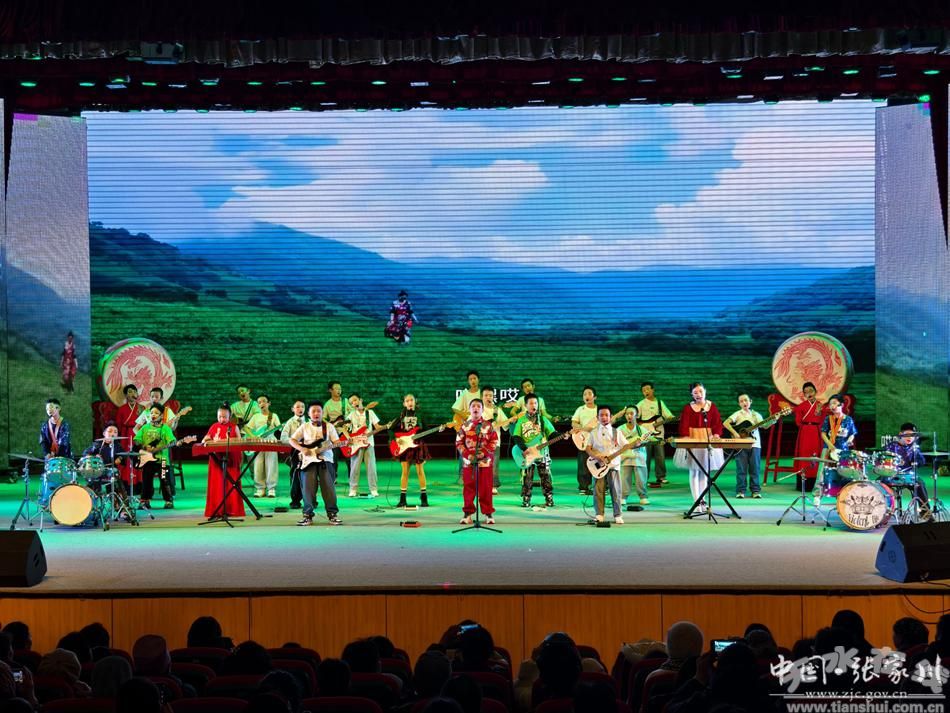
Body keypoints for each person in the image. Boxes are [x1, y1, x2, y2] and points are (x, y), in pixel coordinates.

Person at [289, 401, 342, 526]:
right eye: (313, 411)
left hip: (326, 460)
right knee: (308, 488)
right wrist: (302, 449)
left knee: (328, 488)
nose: (316, 413)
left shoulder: (329, 426)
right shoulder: (305, 426)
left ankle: (332, 514)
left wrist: (342, 443)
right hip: (308, 460)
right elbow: (292, 440)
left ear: (323, 413)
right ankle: (307, 515)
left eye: (319, 411)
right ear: (308, 414)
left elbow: (336, 442)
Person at [675, 382, 723, 514]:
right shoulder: (688, 408)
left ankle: (703, 500)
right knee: (694, 471)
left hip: (707, 439)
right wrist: (686, 439)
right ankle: (696, 501)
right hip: (693, 439)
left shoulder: (711, 406)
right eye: (695, 392)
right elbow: (684, 425)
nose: (698, 394)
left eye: (700, 391)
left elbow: (717, 423)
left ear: (705, 391)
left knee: (704, 471)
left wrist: (716, 434)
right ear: (691, 394)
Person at [456, 399, 499, 525]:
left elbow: (494, 441)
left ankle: (488, 514)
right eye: (473, 406)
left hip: (485, 463)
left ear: (482, 410)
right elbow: (459, 442)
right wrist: (467, 455)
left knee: (486, 489)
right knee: (468, 489)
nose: (476, 408)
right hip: (469, 463)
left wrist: (484, 453)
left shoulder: (488, 426)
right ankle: (468, 514)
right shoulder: (464, 426)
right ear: (469, 410)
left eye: (478, 406)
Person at [724, 394, 772, 499]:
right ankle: (740, 490)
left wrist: (773, 420)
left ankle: (755, 491)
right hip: (741, 445)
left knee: (755, 468)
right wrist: (735, 433)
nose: (744, 403)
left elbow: (764, 426)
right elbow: (726, 423)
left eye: (746, 400)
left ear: (750, 401)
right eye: (741, 401)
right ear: (739, 404)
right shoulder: (737, 414)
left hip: (755, 444)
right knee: (741, 469)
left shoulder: (756, 415)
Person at [511, 394, 556, 508]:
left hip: (542, 452)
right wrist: (524, 448)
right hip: (527, 453)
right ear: (525, 405)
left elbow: (552, 434)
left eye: (535, 403)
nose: (533, 405)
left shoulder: (543, 420)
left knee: (545, 475)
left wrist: (562, 435)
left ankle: (549, 497)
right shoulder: (521, 420)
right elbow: (516, 436)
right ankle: (526, 498)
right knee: (527, 476)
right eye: (531, 403)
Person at [202, 404, 246, 518]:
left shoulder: (234, 427)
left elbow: (239, 443)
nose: (222, 419)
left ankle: (232, 509)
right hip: (216, 460)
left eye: (225, 417)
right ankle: (217, 509)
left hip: (231, 459)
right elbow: (205, 439)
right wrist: (206, 440)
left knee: (231, 484)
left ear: (229, 416)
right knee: (217, 484)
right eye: (220, 417)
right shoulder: (214, 426)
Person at [586, 404, 627, 524]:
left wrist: (636, 443)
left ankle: (618, 514)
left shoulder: (617, 432)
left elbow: (626, 445)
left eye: (606, 415)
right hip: (598, 466)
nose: (604, 417)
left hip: (613, 465)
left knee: (616, 490)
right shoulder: (593, 433)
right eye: (601, 415)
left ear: (611, 417)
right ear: (597, 417)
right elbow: (588, 448)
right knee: (598, 490)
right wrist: (596, 456)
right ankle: (599, 514)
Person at [394, 393, 436, 508]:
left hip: (418, 445)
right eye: (407, 401)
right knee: (405, 472)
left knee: (420, 471)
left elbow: (427, 430)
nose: (410, 402)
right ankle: (402, 499)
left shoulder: (420, 414)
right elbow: (391, 429)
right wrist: (396, 439)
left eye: (411, 400)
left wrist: (436, 430)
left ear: (415, 401)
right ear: (404, 403)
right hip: (405, 446)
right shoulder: (401, 415)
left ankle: (424, 497)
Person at [133, 405, 177, 509]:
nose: (153, 415)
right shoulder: (145, 427)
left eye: (156, 413)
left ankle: (168, 501)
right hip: (148, 459)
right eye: (152, 413)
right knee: (146, 481)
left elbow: (173, 441)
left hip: (163, 460)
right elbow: (136, 440)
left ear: (161, 416)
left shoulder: (165, 428)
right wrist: (143, 446)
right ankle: (145, 501)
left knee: (164, 480)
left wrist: (162, 447)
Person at [636, 382, 675, 486]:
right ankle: (644, 477)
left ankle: (661, 477)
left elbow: (669, 416)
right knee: (645, 457)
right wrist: (643, 427)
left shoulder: (659, 403)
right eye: (644, 390)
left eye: (648, 389)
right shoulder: (641, 404)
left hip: (659, 434)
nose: (646, 392)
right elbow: (635, 418)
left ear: (653, 390)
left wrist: (669, 419)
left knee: (660, 457)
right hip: (646, 435)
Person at [244, 394, 281, 498]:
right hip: (259, 442)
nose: (261, 403)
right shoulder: (256, 416)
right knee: (258, 464)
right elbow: (246, 428)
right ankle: (260, 488)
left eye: (264, 401)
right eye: (259, 402)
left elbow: (279, 428)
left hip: (271, 441)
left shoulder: (274, 416)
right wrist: (253, 436)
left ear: (269, 403)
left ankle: (271, 488)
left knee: (271, 464)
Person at [346, 393, 382, 498]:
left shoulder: (370, 412)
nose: (354, 403)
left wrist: (386, 426)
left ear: (360, 400)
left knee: (371, 467)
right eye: (351, 403)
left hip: (368, 443)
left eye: (355, 400)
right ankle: (353, 489)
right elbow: (344, 428)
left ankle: (373, 489)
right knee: (354, 467)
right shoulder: (351, 415)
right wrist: (348, 437)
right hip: (356, 444)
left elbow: (377, 427)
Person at [793, 381, 826, 490]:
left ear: (815, 392)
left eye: (811, 391)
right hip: (805, 432)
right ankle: (803, 483)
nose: (809, 393)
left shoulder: (821, 406)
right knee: (804, 455)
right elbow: (798, 422)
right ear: (804, 394)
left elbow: (823, 421)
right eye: (806, 392)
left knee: (815, 455)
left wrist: (818, 419)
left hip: (817, 432)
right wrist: (806, 425)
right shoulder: (801, 406)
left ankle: (816, 482)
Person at [619, 406, 653, 506]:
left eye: (631, 413)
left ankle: (643, 496)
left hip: (639, 457)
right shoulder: (620, 429)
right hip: (625, 457)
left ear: (637, 415)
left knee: (641, 479)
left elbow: (647, 441)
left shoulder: (642, 430)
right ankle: (623, 497)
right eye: (627, 414)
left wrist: (641, 443)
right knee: (624, 478)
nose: (629, 416)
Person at [571, 386, 599, 495]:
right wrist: (584, 429)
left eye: (589, 394)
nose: (586, 396)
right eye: (584, 394)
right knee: (583, 463)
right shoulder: (580, 409)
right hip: (583, 440)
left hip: (598, 440)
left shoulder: (599, 410)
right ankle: (583, 486)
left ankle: (601, 486)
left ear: (595, 397)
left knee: (599, 462)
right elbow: (574, 422)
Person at [280, 399, 307, 509]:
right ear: (293, 409)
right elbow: (283, 438)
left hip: (308, 452)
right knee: (295, 475)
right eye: (298, 407)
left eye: (302, 407)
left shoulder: (308, 421)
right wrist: (295, 442)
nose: (300, 409)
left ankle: (310, 499)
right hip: (295, 452)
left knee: (310, 476)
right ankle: (295, 500)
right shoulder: (290, 422)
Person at [114, 384, 142, 486]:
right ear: (126, 395)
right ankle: (126, 482)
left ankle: (139, 482)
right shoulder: (121, 409)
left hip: (138, 434)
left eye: (134, 391)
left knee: (138, 456)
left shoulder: (141, 408)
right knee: (126, 456)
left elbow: (145, 423)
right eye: (130, 392)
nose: (133, 394)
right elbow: (118, 424)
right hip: (126, 435)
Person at [481, 386, 506, 494]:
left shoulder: (497, 410)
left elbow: (505, 425)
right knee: (481, 464)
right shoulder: (478, 408)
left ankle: (493, 485)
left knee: (494, 464)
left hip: (495, 442)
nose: (488, 397)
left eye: (490, 395)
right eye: (486, 395)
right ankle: (481, 485)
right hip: (481, 442)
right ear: (481, 397)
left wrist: (512, 420)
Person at [323, 381, 349, 482]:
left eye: (340, 388)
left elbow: (353, 413)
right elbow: (323, 418)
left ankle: (351, 477)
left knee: (349, 456)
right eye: (336, 388)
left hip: (346, 432)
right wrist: (331, 425)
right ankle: (333, 476)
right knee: (334, 456)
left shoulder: (346, 402)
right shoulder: (328, 404)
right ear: (330, 390)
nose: (339, 390)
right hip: (334, 433)